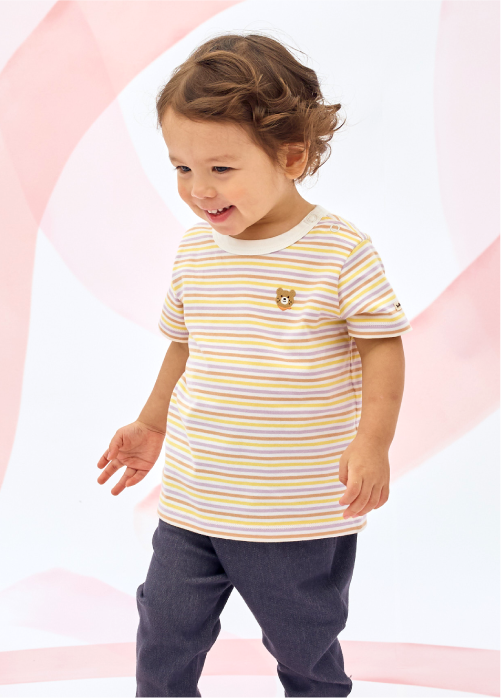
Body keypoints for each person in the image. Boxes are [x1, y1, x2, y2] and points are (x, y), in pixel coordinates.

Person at [97, 32, 412, 698]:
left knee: (303, 640)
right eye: (182, 168)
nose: (198, 190)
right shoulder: (196, 250)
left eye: (220, 168)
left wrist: (373, 442)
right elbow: (185, 345)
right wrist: (151, 423)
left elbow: (381, 345)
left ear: (291, 157)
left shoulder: (339, 252)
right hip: (195, 500)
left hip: (294, 509)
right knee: (165, 628)